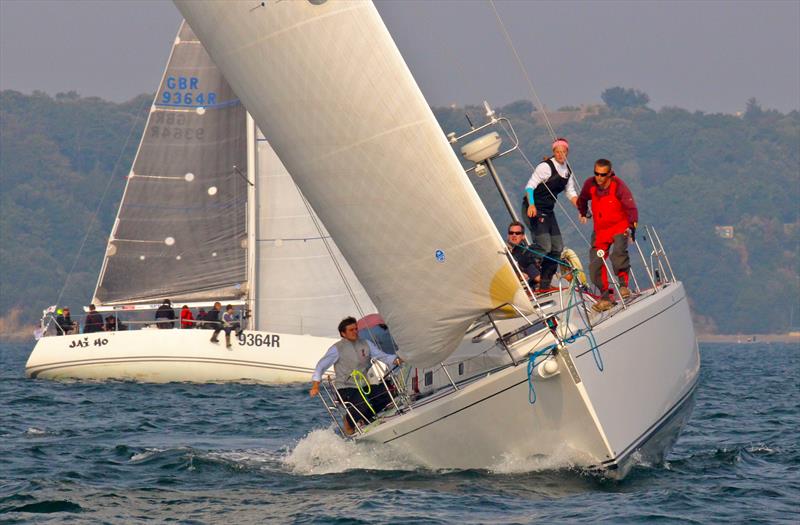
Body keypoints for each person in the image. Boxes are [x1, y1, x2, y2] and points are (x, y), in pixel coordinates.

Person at [309, 317, 402, 435]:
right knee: (362, 405)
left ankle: (365, 419)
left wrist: (396, 360)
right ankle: (348, 421)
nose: (355, 332)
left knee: (389, 395)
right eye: (351, 330)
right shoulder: (337, 348)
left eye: (356, 329)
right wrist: (315, 386)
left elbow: (382, 356)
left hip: (364, 385)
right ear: (343, 333)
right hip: (346, 388)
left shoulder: (366, 344)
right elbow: (321, 366)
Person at [577, 158, 639, 312]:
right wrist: (583, 212)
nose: (599, 177)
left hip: (619, 226)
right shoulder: (590, 184)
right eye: (596, 173)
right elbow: (582, 199)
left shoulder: (618, 186)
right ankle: (606, 297)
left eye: (602, 175)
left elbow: (630, 207)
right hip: (601, 230)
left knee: (618, 253)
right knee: (595, 265)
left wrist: (631, 228)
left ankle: (623, 286)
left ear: (610, 174)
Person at [522, 137, 581, 291]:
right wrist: (532, 205)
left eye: (563, 152)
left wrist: (581, 208)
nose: (560, 155)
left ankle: (544, 285)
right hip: (533, 208)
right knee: (545, 246)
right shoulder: (545, 167)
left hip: (548, 210)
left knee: (557, 248)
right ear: (553, 152)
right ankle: (522, 257)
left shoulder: (567, 170)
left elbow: (570, 192)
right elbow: (530, 186)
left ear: (567, 152)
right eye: (557, 152)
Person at [505, 220, 541, 290]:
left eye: (517, 233)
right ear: (508, 236)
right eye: (511, 233)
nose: (514, 235)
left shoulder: (524, 253)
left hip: (532, 290)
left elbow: (537, 277)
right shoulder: (505, 253)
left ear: (523, 236)